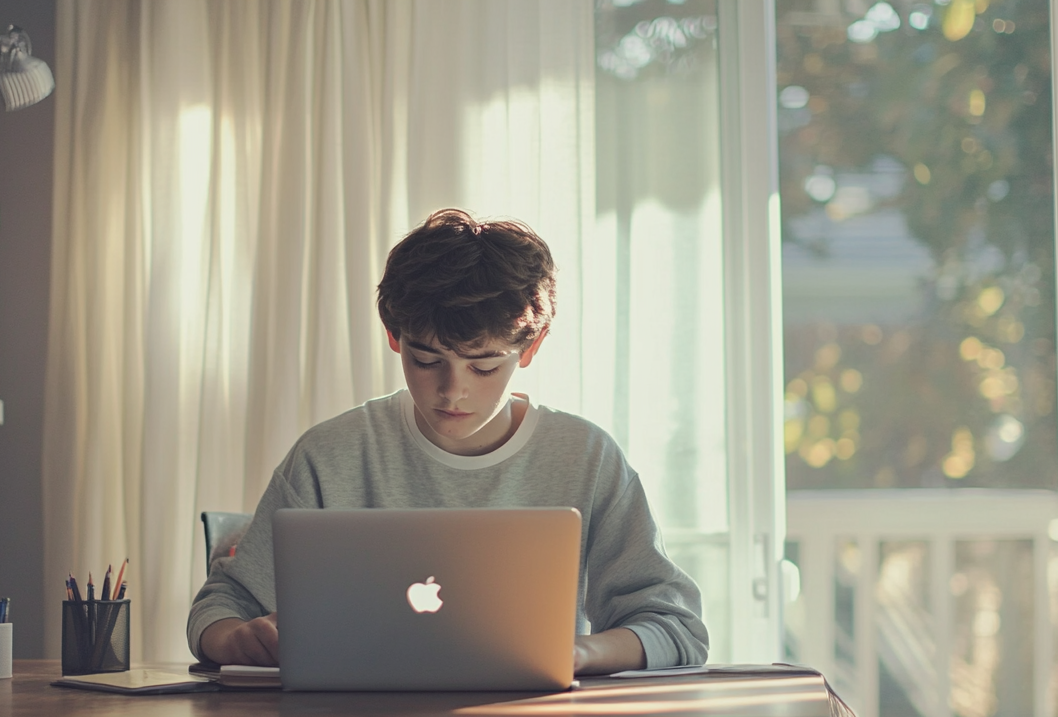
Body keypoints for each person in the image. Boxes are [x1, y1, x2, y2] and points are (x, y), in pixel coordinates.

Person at [187, 208, 708, 674]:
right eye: (427, 360)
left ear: (531, 348)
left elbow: (676, 628)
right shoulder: (329, 455)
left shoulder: (586, 458)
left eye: (483, 366)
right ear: (394, 336)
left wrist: (574, 652)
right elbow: (218, 608)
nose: (453, 390)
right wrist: (235, 638)